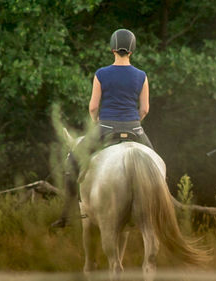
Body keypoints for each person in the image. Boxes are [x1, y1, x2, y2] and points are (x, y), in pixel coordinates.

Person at [51, 28, 153, 228]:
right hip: (135, 128)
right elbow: (145, 109)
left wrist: (96, 121)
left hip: (105, 127)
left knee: (73, 161)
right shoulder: (141, 75)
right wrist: (135, 122)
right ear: (132, 50)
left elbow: (93, 107)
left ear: (112, 49)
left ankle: (67, 214)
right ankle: (162, 207)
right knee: (157, 167)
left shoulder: (101, 74)